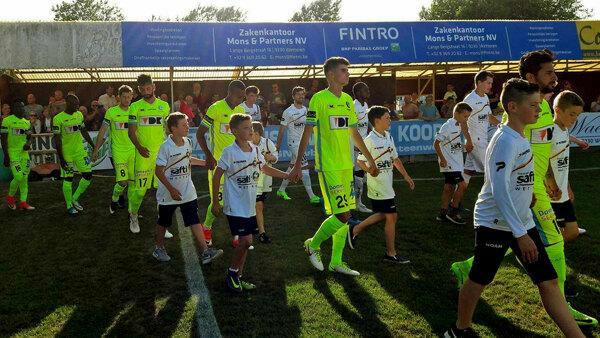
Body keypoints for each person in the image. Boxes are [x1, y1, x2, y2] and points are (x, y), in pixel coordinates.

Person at [451, 49, 597, 327]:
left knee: (543, 243)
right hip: (526, 194)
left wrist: (558, 182)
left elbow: (548, 151)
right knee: (554, 243)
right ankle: (564, 305)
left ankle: (469, 267)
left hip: (536, 190)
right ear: (531, 77)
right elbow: (508, 157)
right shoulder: (522, 116)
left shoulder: (544, 110)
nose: (555, 77)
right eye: (549, 72)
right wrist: (532, 187)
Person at [290, 57, 380, 276]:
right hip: (328, 165)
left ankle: (336, 262)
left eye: (347, 71)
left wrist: (369, 158)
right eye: (343, 71)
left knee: (345, 212)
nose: (347, 74)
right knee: (343, 216)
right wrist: (296, 165)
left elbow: (354, 132)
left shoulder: (348, 100)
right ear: (330, 75)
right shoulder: (318, 100)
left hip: (346, 165)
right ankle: (312, 244)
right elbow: (307, 133)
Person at [211, 113, 289, 292]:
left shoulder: (254, 150)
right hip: (235, 206)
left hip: (249, 205)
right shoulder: (229, 152)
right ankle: (232, 273)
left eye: (251, 128)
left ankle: (238, 276)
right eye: (246, 128)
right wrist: (216, 202)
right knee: (246, 241)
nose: (250, 131)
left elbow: (265, 168)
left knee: (246, 243)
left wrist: (286, 175)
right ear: (234, 131)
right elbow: (217, 176)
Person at [152, 112, 224, 264]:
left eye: (187, 123)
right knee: (163, 222)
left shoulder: (188, 142)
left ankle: (205, 252)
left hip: (187, 191)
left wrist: (205, 163)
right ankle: (158, 248)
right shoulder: (166, 147)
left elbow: (187, 159)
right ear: (173, 128)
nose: (188, 126)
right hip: (168, 193)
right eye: (184, 125)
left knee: (194, 220)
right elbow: (158, 171)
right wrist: (171, 189)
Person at [347, 106, 414, 263]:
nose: (390, 119)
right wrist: (370, 170)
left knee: (385, 215)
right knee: (391, 216)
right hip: (378, 185)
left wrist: (406, 176)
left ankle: (355, 229)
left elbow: (395, 158)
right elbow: (360, 161)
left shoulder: (388, 136)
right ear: (377, 121)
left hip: (387, 184)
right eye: (387, 117)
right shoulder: (369, 140)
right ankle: (391, 254)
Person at [196, 80, 246, 246]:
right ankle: (207, 226)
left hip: (238, 164)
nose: (241, 100)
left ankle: (238, 233)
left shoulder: (241, 110)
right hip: (219, 165)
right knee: (218, 204)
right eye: (239, 96)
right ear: (231, 93)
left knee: (238, 200)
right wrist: (209, 155)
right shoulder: (215, 108)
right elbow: (199, 134)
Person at [127, 74, 172, 235]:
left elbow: (167, 129)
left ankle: (162, 224)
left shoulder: (164, 106)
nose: (146, 91)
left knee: (162, 191)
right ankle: (133, 215)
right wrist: (139, 147)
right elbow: (131, 131)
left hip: (160, 155)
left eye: (148, 88)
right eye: (142, 89)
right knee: (140, 191)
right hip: (143, 155)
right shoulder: (135, 107)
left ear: (154, 87)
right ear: (139, 90)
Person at [546, 91, 587, 241]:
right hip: (552, 194)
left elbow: (563, 164)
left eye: (577, 115)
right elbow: (543, 162)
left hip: (562, 191)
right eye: (572, 114)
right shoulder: (549, 131)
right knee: (567, 233)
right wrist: (552, 186)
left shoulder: (564, 129)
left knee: (571, 232)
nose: (575, 119)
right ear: (558, 110)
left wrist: (567, 187)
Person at [92, 85, 135, 216]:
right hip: (118, 152)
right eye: (124, 97)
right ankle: (114, 199)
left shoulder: (135, 111)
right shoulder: (111, 112)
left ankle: (132, 210)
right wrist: (96, 150)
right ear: (119, 97)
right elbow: (103, 131)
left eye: (129, 97)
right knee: (123, 181)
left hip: (133, 152)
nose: (127, 99)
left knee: (133, 183)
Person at [275, 86, 320, 204]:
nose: (301, 96)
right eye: (298, 94)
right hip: (294, 143)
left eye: (303, 94)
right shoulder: (288, 111)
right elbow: (281, 130)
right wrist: (277, 147)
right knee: (303, 166)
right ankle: (312, 196)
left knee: (293, 166)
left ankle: (281, 189)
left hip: (302, 143)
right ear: (293, 96)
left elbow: (313, 125)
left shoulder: (307, 110)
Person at [52, 94, 94, 215]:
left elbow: (83, 131)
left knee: (88, 175)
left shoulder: (79, 115)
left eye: (78, 104)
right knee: (68, 178)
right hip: (67, 153)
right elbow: (57, 140)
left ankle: (75, 198)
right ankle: (69, 205)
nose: (77, 107)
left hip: (80, 151)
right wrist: (61, 158)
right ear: (68, 104)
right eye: (75, 105)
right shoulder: (58, 118)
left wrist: (92, 145)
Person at [434, 102, 472, 224]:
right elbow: (436, 143)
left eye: (468, 117)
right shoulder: (448, 126)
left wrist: (463, 146)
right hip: (449, 163)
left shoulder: (458, 125)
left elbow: (451, 143)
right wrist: (443, 159)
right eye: (465, 116)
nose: (466, 119)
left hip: (456, 162)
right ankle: (453, 212)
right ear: (456, 113)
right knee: (462, 185)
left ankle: (443, 213)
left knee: (449, 187)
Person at [461, 70, 498, 198]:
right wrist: (469, 141)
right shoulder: (470, 99)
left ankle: (452, 208)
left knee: (466, 175)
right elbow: (462, 121)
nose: (490, 86)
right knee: (491, 174)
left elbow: (489, 116)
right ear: (479, 82)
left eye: (491, 83)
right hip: (475, 143)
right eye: (488, 83)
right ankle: (487, 207)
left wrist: (501, 126)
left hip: (481, 141)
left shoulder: (485, 97)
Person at [1, 101, 35, 210]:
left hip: (24, 154)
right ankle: (10, 197)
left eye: (22, 107)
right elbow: (3, 139)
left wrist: (28, 145)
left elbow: (30, 137)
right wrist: (6, 155)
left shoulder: (27, 122)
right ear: (13, 109)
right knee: (19, 176)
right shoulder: (6, 121)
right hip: (13, 153)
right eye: (18, 107)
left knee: (24, 178)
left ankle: (23, 202)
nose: (21, 109)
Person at [251, 121, 278, 244]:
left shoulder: (267, 143)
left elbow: (275, 158)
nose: (249, 134)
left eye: (251, 133)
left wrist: (271, 157)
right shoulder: (246, 144)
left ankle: (254, 225)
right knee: (258, 205)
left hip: (265, 180)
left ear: (257, 133)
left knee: (258, 205)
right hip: (251, 181)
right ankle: (262, 233)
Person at [352, 82, 372, 213]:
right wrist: (356, 145)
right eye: (365, 90)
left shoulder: (365, 105)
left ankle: (357, 202)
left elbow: (366, 123)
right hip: (355, 146)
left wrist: (373, 131)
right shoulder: (353, 106)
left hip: (363, 145)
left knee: (360, 174)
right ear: (358, 93)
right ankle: (357, 204)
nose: (368, 92)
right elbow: (351, 129)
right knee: (357, 175)